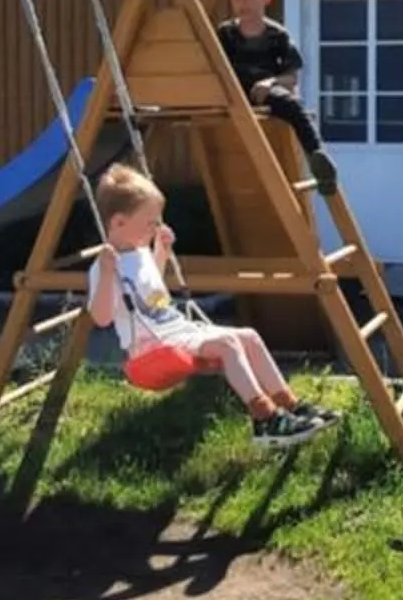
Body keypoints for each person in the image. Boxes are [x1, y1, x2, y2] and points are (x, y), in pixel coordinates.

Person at [87, 162, 333, 444]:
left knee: (248, 336)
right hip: (153, 346)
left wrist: (161, 252)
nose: (157, 227)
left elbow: (152, 290)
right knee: (228, 345)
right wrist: (106, 274)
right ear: (119, 222)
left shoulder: (140, 252)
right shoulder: (106, 266)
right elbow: (102, 317)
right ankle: (265, 419)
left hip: (176, 330)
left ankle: (290, 405)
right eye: (150, 222)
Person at [215, 0, 340, 192]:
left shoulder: (277, 35)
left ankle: (317, 155)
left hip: (264, 92)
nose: (243, 3)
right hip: (233, 90)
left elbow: (291, 77)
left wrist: (270, 82)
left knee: (292, 104)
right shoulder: (225, 33)